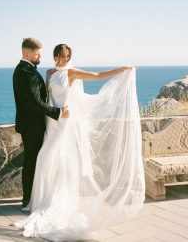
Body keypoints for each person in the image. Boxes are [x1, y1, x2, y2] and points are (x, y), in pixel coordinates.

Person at [15, 44, 145, 240]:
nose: (64, 60)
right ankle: (41, 200)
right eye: (61, 56)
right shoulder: (49, 73)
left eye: (67, 56)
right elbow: (45, 97)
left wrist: (122, 70)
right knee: (46, 159)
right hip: (50, 122)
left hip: (64, 122)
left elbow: (97, 75)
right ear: (55, 56)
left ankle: (56, 199)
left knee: (55, 158)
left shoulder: (72, 73)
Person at [13, 38, 69, 212]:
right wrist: (58, 112)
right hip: (32, 125)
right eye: (37, 53)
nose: (40, 56)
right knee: (32, 161)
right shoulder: (26, 72)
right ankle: (28, 200)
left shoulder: (25, 69)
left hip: (32, 123)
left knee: (34, 160)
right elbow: (35, 102)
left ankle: (31, 198)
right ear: (27, 53)